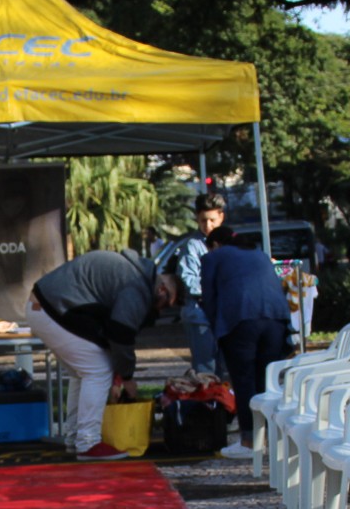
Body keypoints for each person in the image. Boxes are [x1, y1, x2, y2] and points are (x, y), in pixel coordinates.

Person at [29, 250, 181, 461]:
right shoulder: (138, 288)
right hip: (53, 308)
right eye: (167, 303)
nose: (162, 310)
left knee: (82, 373)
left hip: (41, 306)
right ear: (162, 289)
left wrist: (118, 378)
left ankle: (75, 438)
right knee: (97, 371)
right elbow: (120, 334)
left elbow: (111, 337)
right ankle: (88, 443)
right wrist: (127, 378)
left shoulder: (134, 275)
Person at [197, 225, 292, 460]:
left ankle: (249, 441)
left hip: (240, 319)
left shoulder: (213, 257)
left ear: (215, 244)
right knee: (267, 381)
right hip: (276, 318)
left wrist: (217, 329)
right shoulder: (259, 254)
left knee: (244, 380)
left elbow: (209, 297)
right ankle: (271, 437)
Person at [173, 193, 225, 375]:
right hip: (199, 316)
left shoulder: (227, 242)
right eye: (203, 220)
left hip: (223, 315)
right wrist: (217, 288)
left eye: (212, 220)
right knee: (206, 371)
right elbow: (188, 281)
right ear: (197, 219)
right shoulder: (192, 246)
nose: (208, 225)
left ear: (221, 217)